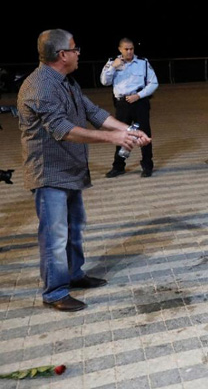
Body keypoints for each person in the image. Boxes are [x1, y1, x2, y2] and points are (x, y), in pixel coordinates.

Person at [17, 29, 151, 311]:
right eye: (75, 49)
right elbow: (62, 129)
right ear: (62, 54)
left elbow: (94, 112)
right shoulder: (40, 86)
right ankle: (54, 292)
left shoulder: (66, 82)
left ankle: (75, 275)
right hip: (49, 173)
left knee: (74, 228)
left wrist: (130, 130)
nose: (79, 53)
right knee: (55, 236)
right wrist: (113, 139)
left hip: (70, 169)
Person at [101, 37, 158, 177]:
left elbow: (154, 83)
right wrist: (113, 67)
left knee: (145, 135)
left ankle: (147, 165)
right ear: (120, 49)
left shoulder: (143, 63)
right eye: (126, 49)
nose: (129, 52)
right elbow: (104, 82)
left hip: (140, 102)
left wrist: (138, 95)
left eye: (131, 49)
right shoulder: (112, 62)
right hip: (122, 104)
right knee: (122, 135)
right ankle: (118, 166)